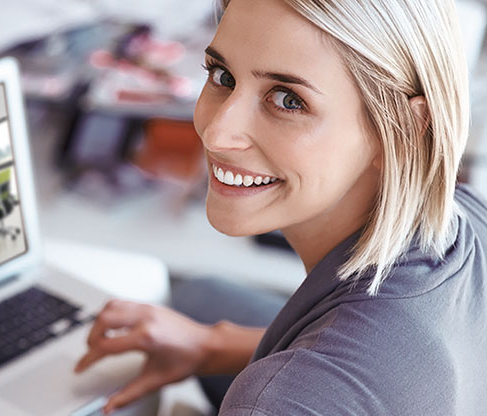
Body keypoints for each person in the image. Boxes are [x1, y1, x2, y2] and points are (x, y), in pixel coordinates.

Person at [74, 0, 487, 414]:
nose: (217, 134)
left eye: (288, 100)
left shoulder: (276, 403)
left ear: (404, 130)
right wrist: (212, 346)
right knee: (200, 296)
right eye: (223, 76)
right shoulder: (462, 213)